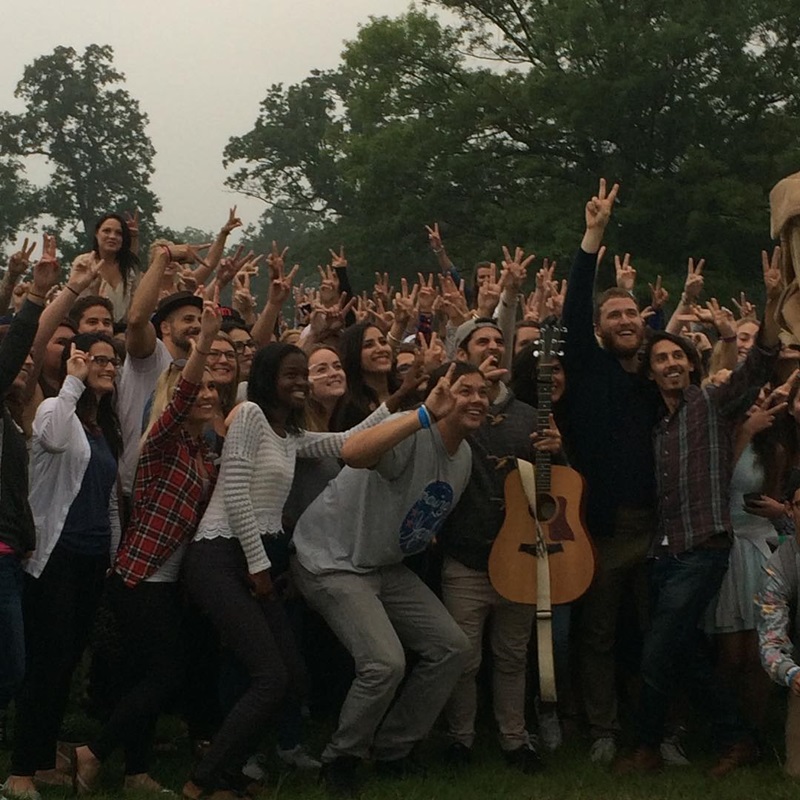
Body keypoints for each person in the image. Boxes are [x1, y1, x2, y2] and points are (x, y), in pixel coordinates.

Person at [182, 342, 412, 799]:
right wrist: (258, 565)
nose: (301, 382)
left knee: (291, 677)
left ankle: (225, 772)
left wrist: (401, 404)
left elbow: (345, 443)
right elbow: (235, 494)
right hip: (220, 556)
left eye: (303, 374)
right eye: (291, 374)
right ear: (268, 377)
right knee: (269, 676)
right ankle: (205, 781)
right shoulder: (248, 415)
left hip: (257, 555)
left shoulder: (289, 435)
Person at [616, 245, 782, 777]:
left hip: (703, 550)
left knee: (657, 649)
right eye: (660, 358)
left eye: (677, 357)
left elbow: (757, 365)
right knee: (682, 652)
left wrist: (773, 300)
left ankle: (644, 746)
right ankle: (738, 738)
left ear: (690, 364)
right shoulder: (656, 427)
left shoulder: (712, 405)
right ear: (651, 372)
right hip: (662, 552)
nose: (669, 364)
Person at [290, 362, 488, 796]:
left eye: (482, 392)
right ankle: (341, 758)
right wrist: (420, 415)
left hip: (383, 564)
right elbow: (353, 454)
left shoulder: (465, 456)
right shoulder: (411, 430)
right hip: (331, 559)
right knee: (385, 663)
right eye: (465, 390)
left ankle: (394, 749)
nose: (476, 398)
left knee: (451, 646)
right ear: (440, 394)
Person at [70, 300, 221, 795]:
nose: (206, 394)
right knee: (166, 674)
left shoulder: (200, 451)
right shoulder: (160, 440)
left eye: (211, 390)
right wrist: (201, 348)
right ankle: (91, 753)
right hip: (141, 577)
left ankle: (136, 773)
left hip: (166, 578)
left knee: (144, 677)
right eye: (195, 390)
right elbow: (181, 397)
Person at [559, 178, 660, 763]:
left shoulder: (657, 380)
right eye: (614, 313)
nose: (624, 319)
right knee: (597, 636)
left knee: (654, 634)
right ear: (600, 329)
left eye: (631, 312)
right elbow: (575, 306)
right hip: (600, 529)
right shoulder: (591, 370)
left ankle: (658, 729)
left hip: (657, 528)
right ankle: (601, 728)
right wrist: (592, 238)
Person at [6, 333, 122, 798]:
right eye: (99, 358)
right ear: (76, 360)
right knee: (48, 666)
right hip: (55, 557)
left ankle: (41, 760)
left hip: (92, 561)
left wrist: (113, 557)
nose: (109, 366)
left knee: (67, 663)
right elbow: (50, 439)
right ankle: (19, 773)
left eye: (112, 360)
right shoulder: (59, 408)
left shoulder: (102, 426)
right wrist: (73, 382)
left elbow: (110, 499)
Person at [437, 314, 553, 772]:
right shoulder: (449, 410)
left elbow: (553, 487)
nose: (491, 347)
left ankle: (514, 739)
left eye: (498, 341)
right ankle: (460, 739)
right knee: (462, 658)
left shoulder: (529, 414)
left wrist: (557, 450)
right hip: (465, 556)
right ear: (461, 354)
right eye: (480, 341)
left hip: (520, 555)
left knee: (511, 656)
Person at [0, 252, 59, 787]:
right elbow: (17, 347)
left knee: (13, 669)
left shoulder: (8, 419)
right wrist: (34, 296)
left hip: (7, 556)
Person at [755, 472, 800, 778]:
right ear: (789, 510)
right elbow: (770, 642)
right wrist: (792, 673)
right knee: (796, 774)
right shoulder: (778, 566)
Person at [73, 213, 140, 323]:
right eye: (107, 231)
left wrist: (134, 237)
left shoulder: (128, 271)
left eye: (118, 233)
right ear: (96, 234)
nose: (112, 236)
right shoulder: (84, 262)